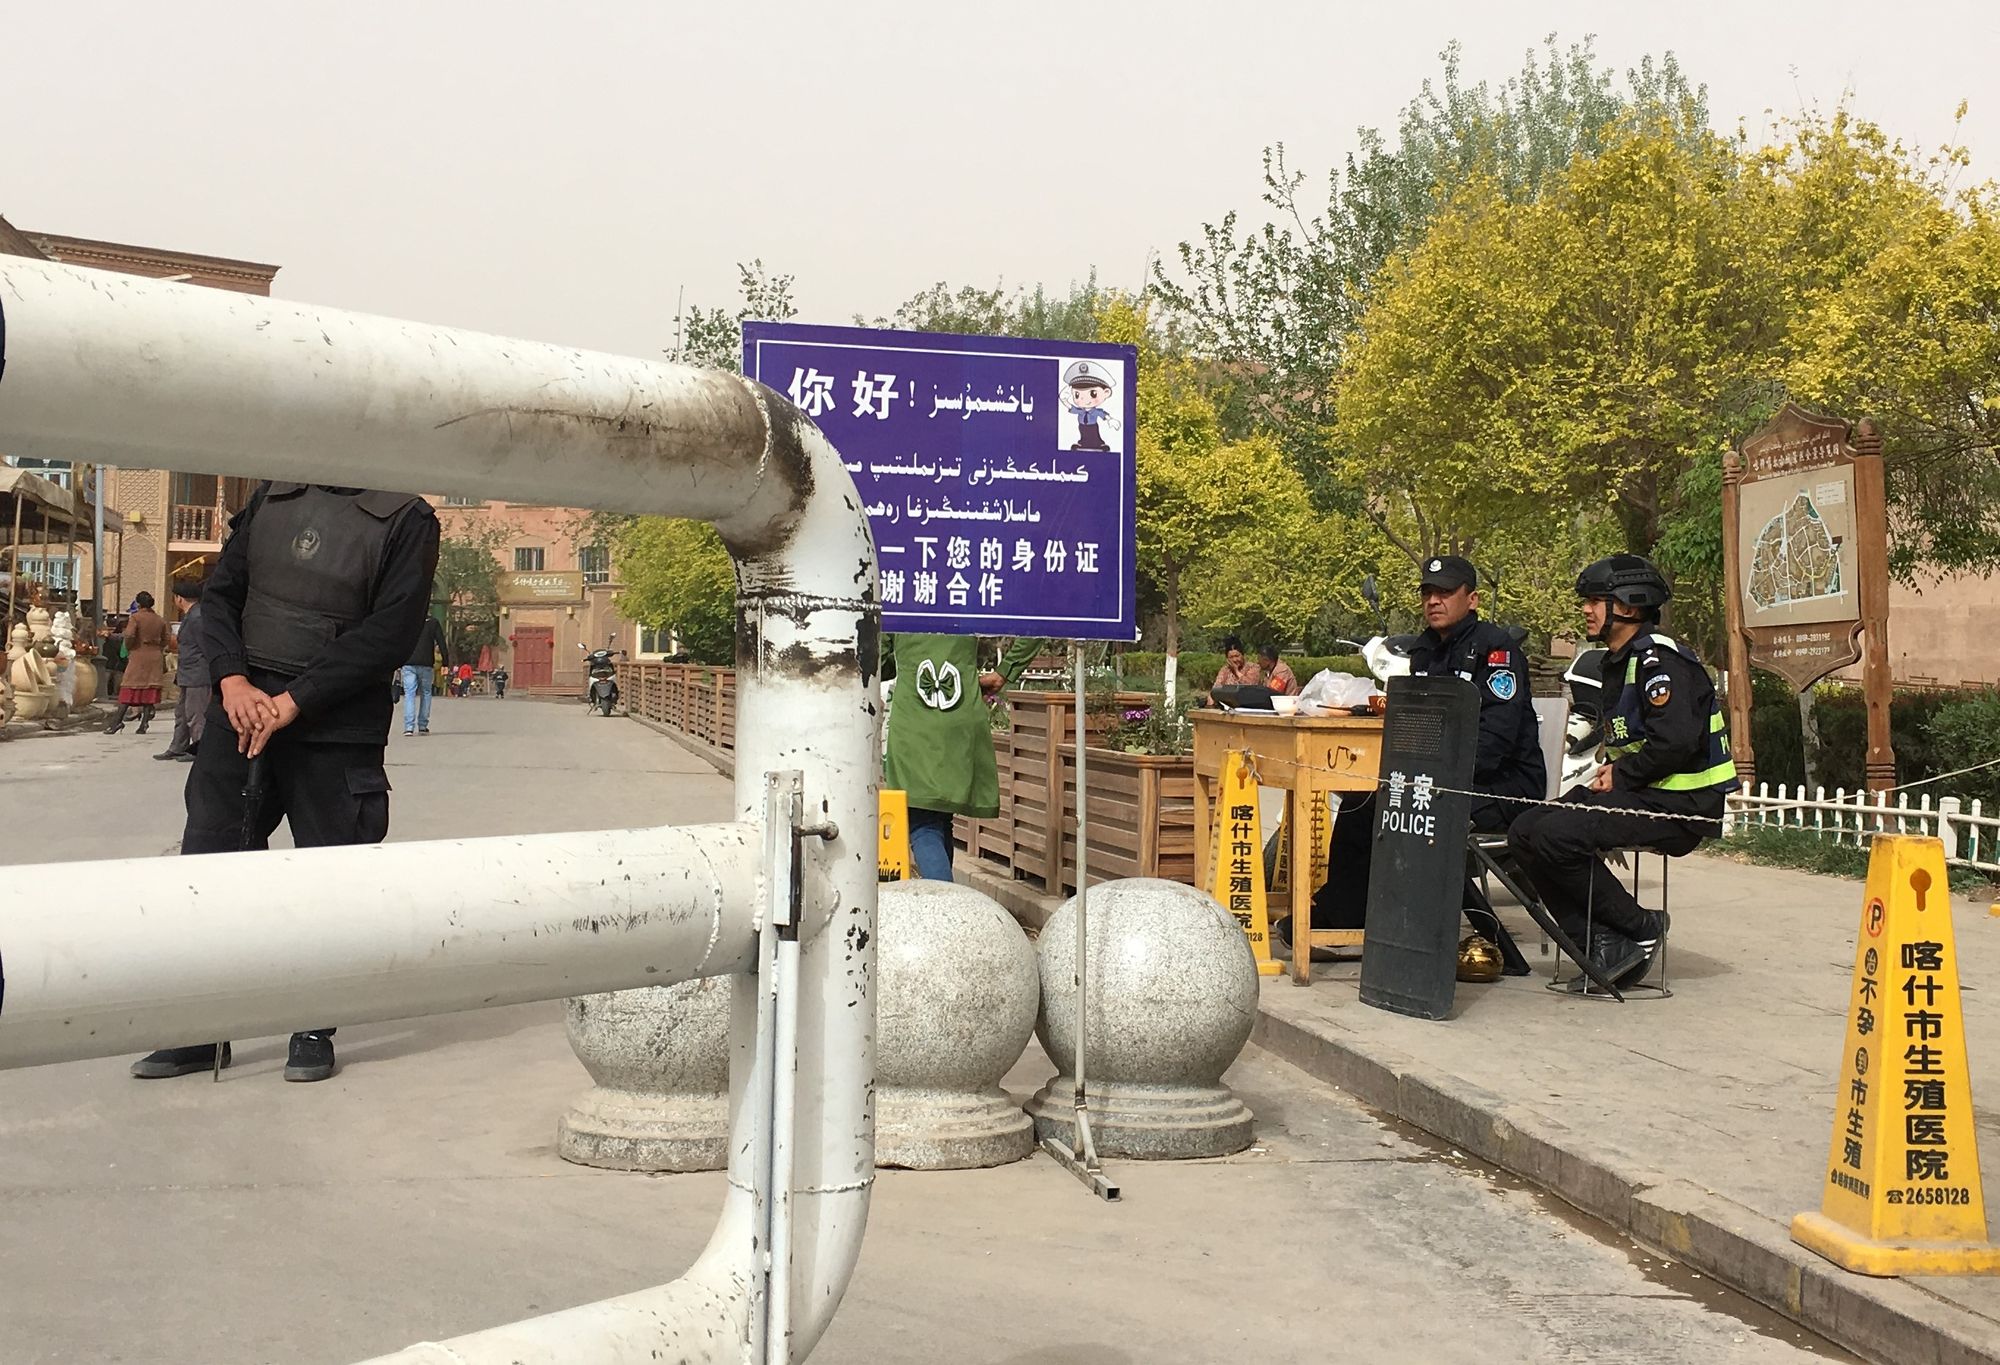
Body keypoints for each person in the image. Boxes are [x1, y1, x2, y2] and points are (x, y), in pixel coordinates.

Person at [130, 482, 440, 1083]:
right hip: (238, 711)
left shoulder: (407, 515)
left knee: (329, 872)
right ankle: (200, 1031)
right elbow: (220, 599)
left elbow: (392, 630)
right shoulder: (274, 494)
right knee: (209, 863)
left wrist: (298, 699)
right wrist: (231, 681)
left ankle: (313, 1021)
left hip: (333, 723)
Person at [1508, 555, 1738, 990]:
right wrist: (1614, 769)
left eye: (1596, 601)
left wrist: (1623, 774)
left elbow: (1677, 742)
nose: (1586, 610)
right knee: (1526, 829)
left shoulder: (1660, 663)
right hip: (1645, 794)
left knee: (1557, 836)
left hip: (1681, 806)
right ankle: (1601, 943)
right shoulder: (1621, 661)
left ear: (1629, 607)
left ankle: (1641, 926)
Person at [882, 633, 1043, 881]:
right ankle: (952, 902)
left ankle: (946, 910)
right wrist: (1005, 670)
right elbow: (1036, 621)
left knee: (922, 822)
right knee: (942, 817)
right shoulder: (966, 597)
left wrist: (904, 656)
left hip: (914, 720)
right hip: (960, 716)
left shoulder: (899, 599)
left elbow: (877, 663)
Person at [154, 579, 209, 762]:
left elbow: (205, 647)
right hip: (187, 672)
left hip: (198, 673)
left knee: (196, 713)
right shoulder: (191, 616)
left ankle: (200, 749)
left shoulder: (198, 617)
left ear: (179, 598)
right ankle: (178, 746)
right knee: (182, 713)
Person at [104, 591, 168, 735]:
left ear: (138, 604)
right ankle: (144, 723)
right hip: (155, 655)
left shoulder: (136, 618)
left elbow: (130, 635)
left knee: (129, 688)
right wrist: (157, 647)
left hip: (139, 655)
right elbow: (166, 638)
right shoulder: (160, 619)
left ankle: (117, 722)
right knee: (149, 689)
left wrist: (130, 647)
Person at [401, 613, 449, 735]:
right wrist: (445, 663)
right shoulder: (433, 622)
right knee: (426, 693)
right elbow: (441, 643)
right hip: (426, 663)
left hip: (409, 662)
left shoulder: (408, 619)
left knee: (409, 694)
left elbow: (398, 639)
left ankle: (408, 727)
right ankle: (422, 725)